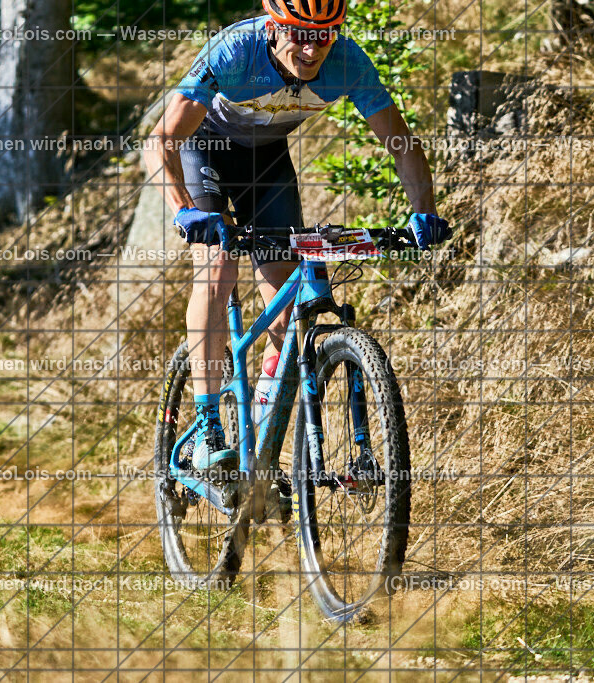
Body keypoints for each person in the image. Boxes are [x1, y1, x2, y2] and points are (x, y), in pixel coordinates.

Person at [143, 0, 450, 473]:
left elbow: (401, 143)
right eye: (299, 34)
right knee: (217, 265)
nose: (311, 49)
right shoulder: (235, 51)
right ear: (273, 27)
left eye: (323, 35)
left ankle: (259, 449)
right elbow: (162, 139)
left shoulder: (348, 61)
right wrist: (183, 209)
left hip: (267, 162)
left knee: (286, 317)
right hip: (206, 149)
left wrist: (423, 213)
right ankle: (206, 429)